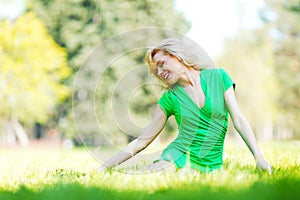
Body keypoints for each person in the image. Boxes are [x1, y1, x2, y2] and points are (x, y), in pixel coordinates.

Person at [99, 38, 272, 173]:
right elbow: (141, 142)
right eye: (155, 71)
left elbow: (239, 120)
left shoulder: (219, 77)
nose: (159, 73)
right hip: (179, 155)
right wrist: (105, 167)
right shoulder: (170, 98)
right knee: (159, 173)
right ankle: (119, 174)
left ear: (177, 56)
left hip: (211, 163)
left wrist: (258, 157)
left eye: (161, 64)